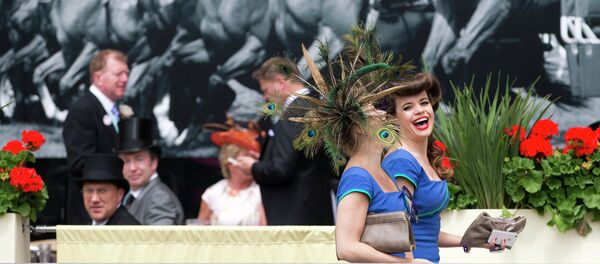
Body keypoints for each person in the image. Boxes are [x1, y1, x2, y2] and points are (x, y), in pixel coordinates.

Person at [282, 26, 428, 262]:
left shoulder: (384, 171)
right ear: (358, 126)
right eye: (372, 109)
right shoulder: (357, 178)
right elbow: (346, 248)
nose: (383, 114)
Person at [381, 73, 505, 262]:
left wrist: (475, 241)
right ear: (393, 119)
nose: (420, 110)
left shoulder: (421, 158)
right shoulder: (402, 162)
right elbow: (397, 227)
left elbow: (425, 233)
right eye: (408, 107)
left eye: (424, 102)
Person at [235, 57, 335, 225]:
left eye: (265, 90)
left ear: (280, 82)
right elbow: (301, 159)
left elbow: (281, 169)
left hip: (295, 213)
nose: (265, 97)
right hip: (317, 206)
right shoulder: (316, 106)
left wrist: (252, 166)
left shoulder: (294, 113)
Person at [63, 49, 129, 224]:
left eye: (126, 74)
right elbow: (79, 164)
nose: (125, 79)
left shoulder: (114, 109)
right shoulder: (82, 110)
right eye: (118, 74)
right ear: (98, 78)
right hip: (88, 216)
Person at [118, 117, 185, 225]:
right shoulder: (128, 196)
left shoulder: (160, 199)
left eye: (139, 159)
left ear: (153, 163)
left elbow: (157, 241)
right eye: (126, 161)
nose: (132, 168)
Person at [197, 124, 267, 225]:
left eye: (255, 158)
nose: (253, 162)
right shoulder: (213, 193)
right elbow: (199, 232)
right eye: (247, 156)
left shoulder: (261, 192)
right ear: (230, 161)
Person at [75, 153, 140, 225]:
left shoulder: (130, 232)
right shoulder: (83, 229)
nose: (94, 199)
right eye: (89, 191)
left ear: (119, 195)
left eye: (102, 191)